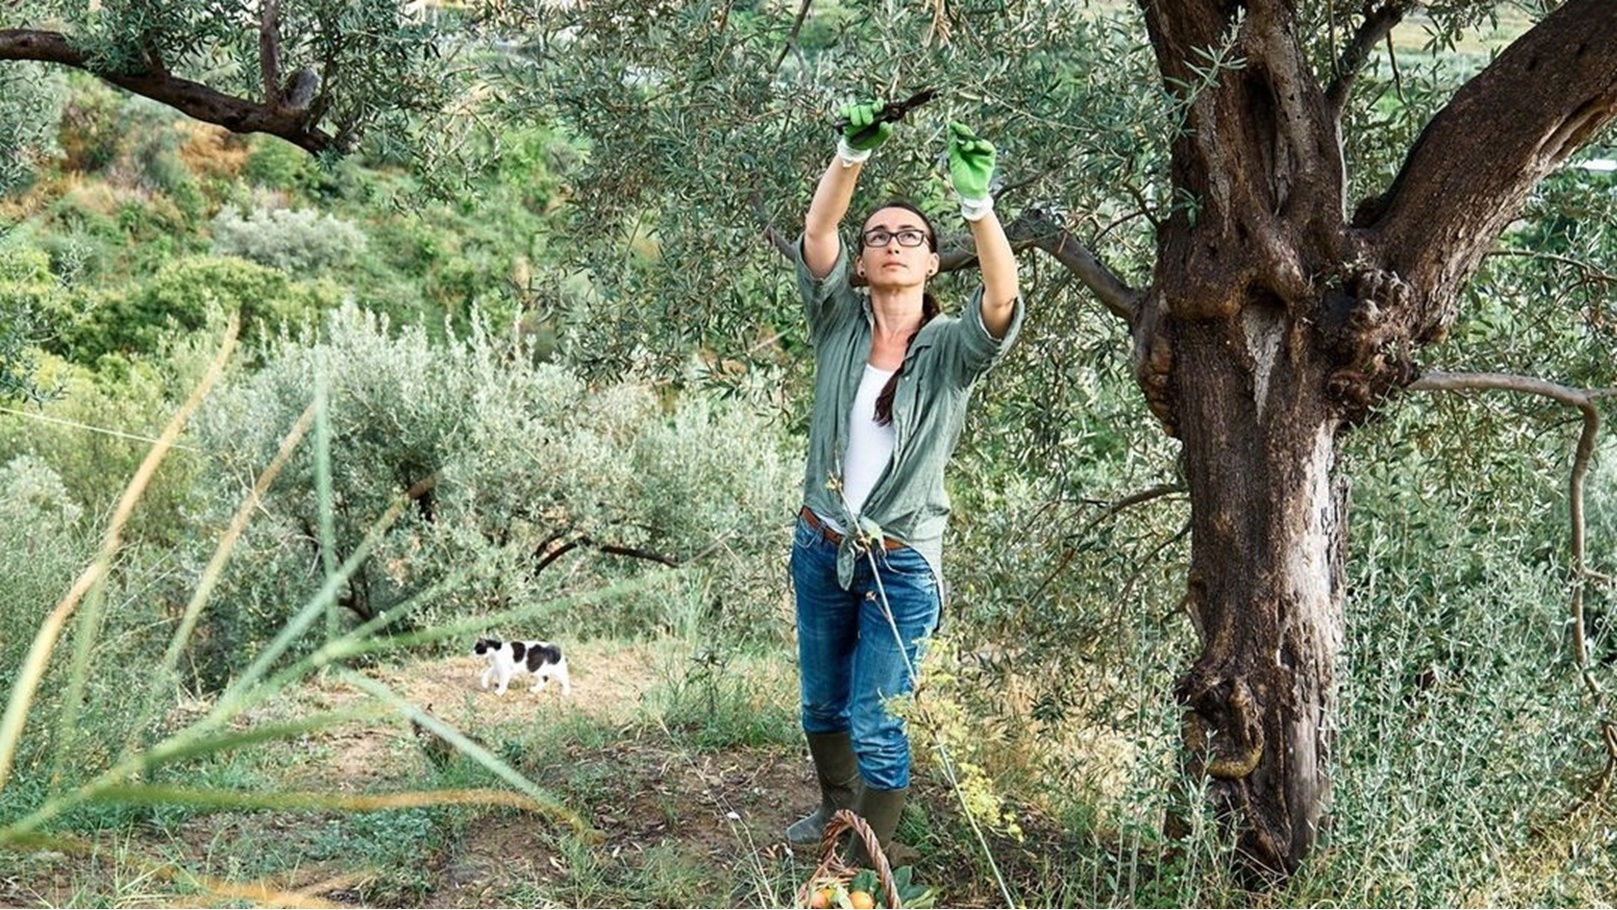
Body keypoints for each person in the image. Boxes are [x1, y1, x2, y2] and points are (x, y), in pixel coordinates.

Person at [785, 98, 1023, 863]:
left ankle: (864, 864)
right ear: (861, 263)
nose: (892, 244)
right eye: (879, 236)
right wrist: (848, 156)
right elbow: (817, 230)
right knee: (822, 703)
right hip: (821, 544)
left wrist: (977, 206)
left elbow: (1001, 299)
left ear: (930, 263)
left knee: (876, 718)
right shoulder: (837, 322)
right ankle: (835, 812)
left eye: (910, 237)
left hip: (902, 561)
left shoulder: (951, 349)